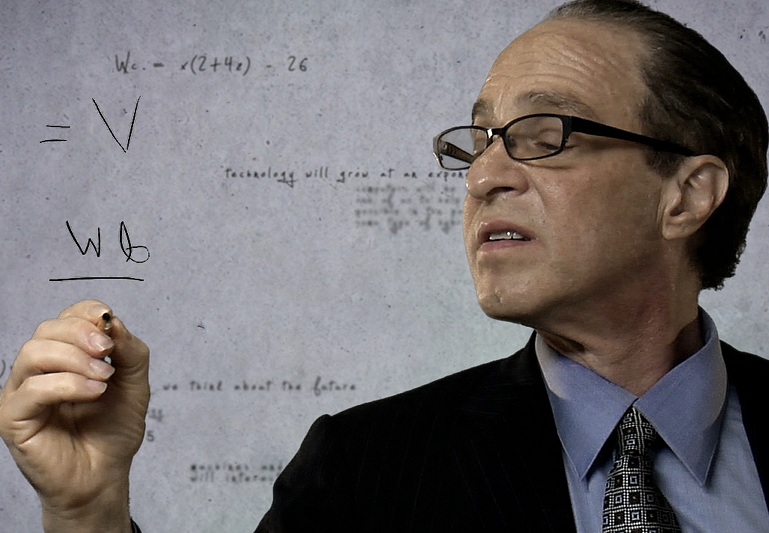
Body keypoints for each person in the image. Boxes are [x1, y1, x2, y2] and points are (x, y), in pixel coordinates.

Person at [2, 0, 768, 531]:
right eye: (478, 140)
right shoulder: (363, 471)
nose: (482, 175)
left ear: (685, 194)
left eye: (543, 133)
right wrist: (87, 512)